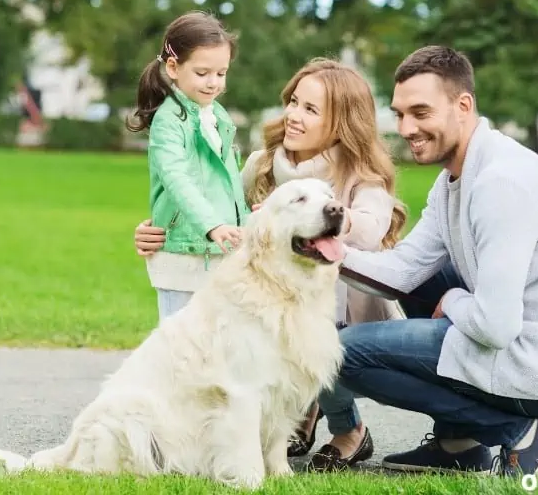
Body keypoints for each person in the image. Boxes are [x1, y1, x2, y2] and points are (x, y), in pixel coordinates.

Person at [332, 45, 538, 477]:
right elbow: (405, 270)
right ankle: (458, 445)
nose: (407, 128)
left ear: (463, 105)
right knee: (427, 277)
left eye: (421, 112)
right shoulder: (452, 182)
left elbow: (496, 327)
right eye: (400, 114)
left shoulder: (502, 184)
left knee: (344, 354)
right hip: (520, 340)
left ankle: (520, 429)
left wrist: (457, 302)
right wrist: (328, 251)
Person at [134, 58, 409, 471]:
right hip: (273, 299)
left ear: (343, 123)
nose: (294, 116)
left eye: (311, 110)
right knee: (259, 343)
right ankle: (285, 418)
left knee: (322, 349)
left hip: (341, 307)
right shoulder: (263, 164)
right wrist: (159, 232)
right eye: (294, 102)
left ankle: (348, 428)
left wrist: (332, 218)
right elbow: (216, 211)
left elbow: (371, 227)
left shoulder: (359, 175)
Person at [126, 11, 249, 321]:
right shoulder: (170, 121)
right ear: (173, 67)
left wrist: (245, 225)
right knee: (179, 347)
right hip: (182, 252)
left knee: (217, 346)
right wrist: (213, 225)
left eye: (221, 73)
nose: (214, 83)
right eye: (203, 72)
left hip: (219, 252)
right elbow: (176, 179)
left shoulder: (217, 115)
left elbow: (230, 184)